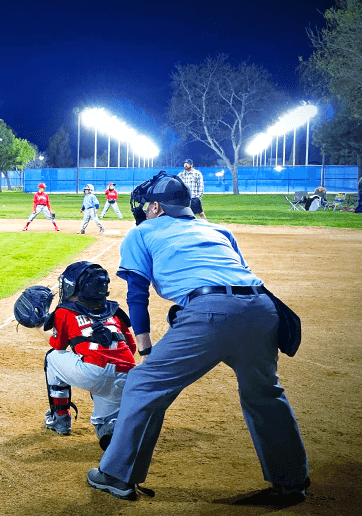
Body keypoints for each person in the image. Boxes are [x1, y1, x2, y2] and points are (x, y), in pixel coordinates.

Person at [86, 171, 309, 505]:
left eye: (148, 204)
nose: (145, 209)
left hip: (210, 312)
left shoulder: (143, 232)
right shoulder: (217, 229)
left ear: (157, 208)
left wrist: (144, 345)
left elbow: (137, 294)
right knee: (263, 392)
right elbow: (236, 276)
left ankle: (117, 475)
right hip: (263, 307)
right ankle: (291, 481)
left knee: (145, 383)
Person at [36, 261, 136, 451]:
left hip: (93, 371)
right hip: (127, 372)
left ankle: (60, 419)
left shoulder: (65, 311)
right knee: (105, 423)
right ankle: (112, 433)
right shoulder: (115, 311)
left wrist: (38, 325)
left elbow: (58, 345)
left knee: (52, 358)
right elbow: (130, 348)